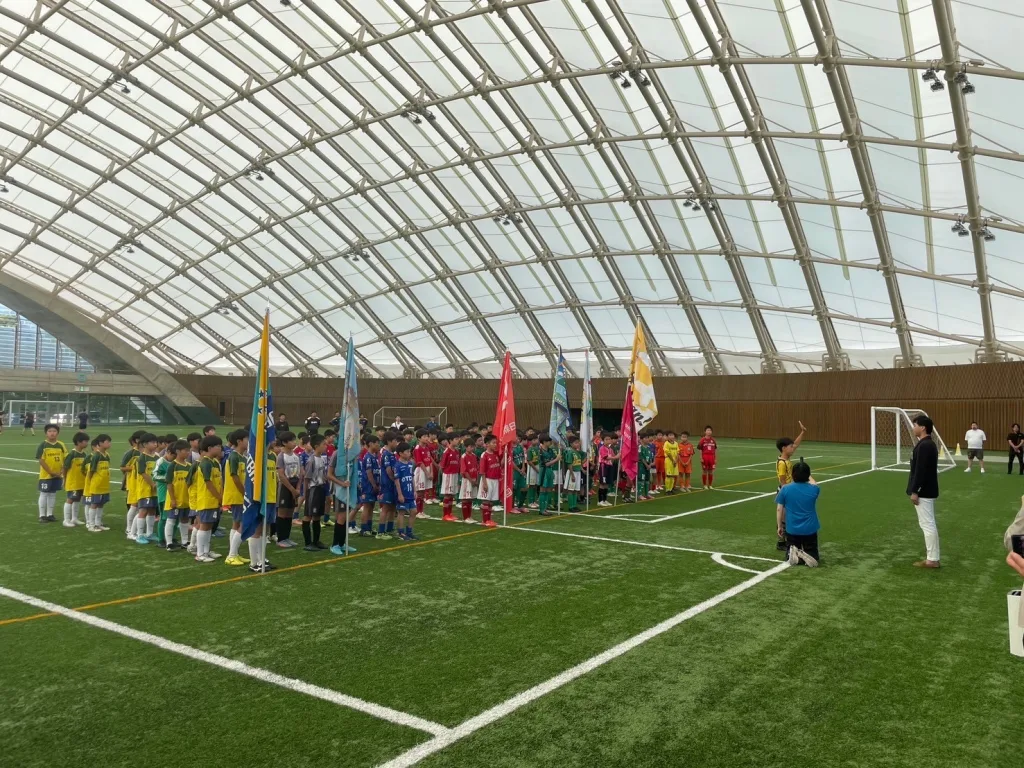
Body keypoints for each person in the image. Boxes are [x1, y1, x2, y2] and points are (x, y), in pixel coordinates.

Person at [908, 414, 940, 568]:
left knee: (927, 524)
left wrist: (915, 491)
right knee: (928, 523)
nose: (913, 428)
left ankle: (932, 559)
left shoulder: (925, 445)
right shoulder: (926, 444)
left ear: (922, 427)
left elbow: (921, 470)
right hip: (926, 490)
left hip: (924, 491)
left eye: (915, 425)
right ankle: (933, 558)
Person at [775, 459, 820, 567]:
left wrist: (780, 526)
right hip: (810, 528)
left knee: (792, 546)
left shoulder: (785, 489)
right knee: (812, 550)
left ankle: (793, 554)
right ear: (808, 475)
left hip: (792, 528)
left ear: (792, 474)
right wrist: (809, 475)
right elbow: (814, 483)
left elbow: (779, 509)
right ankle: (809, 555)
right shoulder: (814, 489)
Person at [775, 421, 808, 551]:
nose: (793, 448)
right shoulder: (782, 463)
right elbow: (782, 481)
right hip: (785, 490)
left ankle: (787, 540)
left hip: (789, 489)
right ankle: (781, 542)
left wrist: (802, 432)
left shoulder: (786, 459)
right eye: (790, 447)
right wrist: (789, 493)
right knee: (783, 517)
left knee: (787, 516)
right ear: (784, 448)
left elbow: (796, 443)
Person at [193, 435, 224, 563]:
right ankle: (200, 553)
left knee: (209, 526)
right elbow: (209, 483)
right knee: (204, 526)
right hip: (206, 500)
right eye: (218, 446)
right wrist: (220, 497)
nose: (220, 448)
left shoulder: (214, 462)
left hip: (213, 500)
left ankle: (206, 551)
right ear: (210, 448)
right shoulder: (205, 463)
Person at [222, 431, 249, 564]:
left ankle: (234, 553)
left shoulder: (242, 457)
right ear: (239, 441)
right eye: (247, 439)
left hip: (239, 495)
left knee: (236, 523)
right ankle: (231, 555)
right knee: (242, 524)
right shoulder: (233, 456)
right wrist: (244, 493)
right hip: (236, 495)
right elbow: (234, 476)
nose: (249, 441)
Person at [275, 432, 302, 548]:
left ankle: (287, 537)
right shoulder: (281, 456)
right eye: (291, 441)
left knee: (290, 512)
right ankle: (280, 538)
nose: (294, 443)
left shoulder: (296, 456)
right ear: (284, 443)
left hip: (295, 485)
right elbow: (281, 475)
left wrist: (298, 488)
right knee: (282, 512)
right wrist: (291, 489)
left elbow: (300, 473)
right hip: (285, 487)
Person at [164, 440, 192, 552]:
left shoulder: (189, 466)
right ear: (178, 451)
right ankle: (169, 543)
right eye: (186, 450)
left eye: (189, 450)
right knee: (171, 520)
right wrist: (172, 499)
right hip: (175, 499)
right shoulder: (173, 466)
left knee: (185, 520)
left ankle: (185, 541)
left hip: (186, 499)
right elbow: (169, 483)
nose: (188, 453)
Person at [36, 423, 66, 523]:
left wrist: (62, 470)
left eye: (54, 431)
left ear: (58, 433)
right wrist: (50, 472)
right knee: (44, 493)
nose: (52, 433)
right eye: (49, 431)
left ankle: (50, 514)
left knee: (53, 494)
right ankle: (42, 515)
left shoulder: (61, 445)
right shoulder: (43, 445)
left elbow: (65, 458)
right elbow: (41, 460)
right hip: (46, 475)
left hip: (58, 474)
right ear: (46, 433)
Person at [133, 434, 159, 544]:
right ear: (145, 444)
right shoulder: (142, 458)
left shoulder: (157, 457)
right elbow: (143, 473)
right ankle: (139, 535)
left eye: (156, 442)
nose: (155, 444)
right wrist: (152, 484)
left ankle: (149, 533)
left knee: (152, 510)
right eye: (152, 442)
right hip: (145, 489)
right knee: (143, 510)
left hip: (155, 489)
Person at [84, 434, 112, 532]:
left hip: (104, 485)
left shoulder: (107, 455)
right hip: (97, 485)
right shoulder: (96, 456)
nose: (109, 444)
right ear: (100, 443)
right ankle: (91, 525)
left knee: (101, 504)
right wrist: (92, 481)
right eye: (107, 442)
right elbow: (91, 470)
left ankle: (98, 523)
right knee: (94, 504)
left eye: (109, 442)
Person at [61, 431, 90, 528]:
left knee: (77, 500)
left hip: (82, 482)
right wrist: (64, 479)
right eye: (85, 441)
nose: (87, 443)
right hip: (73, 482)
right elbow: (65, 468)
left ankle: (74, 518)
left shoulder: (84, 454)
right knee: (70, 499)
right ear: (78, 442)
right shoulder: (71, 454)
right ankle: (66, 520)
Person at [395, 442, 418, 540]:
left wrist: (415, 490)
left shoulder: (410, 464)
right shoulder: (397, 465)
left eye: (409, 451)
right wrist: (400, 494)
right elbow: (397, 481)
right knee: (402, 512)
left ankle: (409, 531)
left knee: (414, 511)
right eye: (407, 451)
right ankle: (400, 532)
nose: (409, 453)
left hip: (410, 493)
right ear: (400, 453)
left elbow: (412, 477)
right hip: (403, 493)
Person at [476, 435, 501, 527]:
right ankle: (485, 520)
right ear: (487, 444)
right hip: (487, 480)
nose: (495, 444)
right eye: (493, 443)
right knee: (486, 501)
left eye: (496, 443)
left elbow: (499, 465)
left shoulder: (495, 455)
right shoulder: (484, 455)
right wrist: (484, 483)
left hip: (495, 480)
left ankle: (489, 519)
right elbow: (482, 471)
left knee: (490, 501)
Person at [439, 435, 461, 521]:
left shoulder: (457, 451)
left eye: (458, 439)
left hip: (455, 474)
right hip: (448, 475)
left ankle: (450, 513)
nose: (458, 440)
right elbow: (442, 466)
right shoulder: (447, 451)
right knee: (447, 494)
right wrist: (445, 475)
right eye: (456, 439)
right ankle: (445, 514)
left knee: (452, 494)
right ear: (451, 440)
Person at [459, 435, 479, 523]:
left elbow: (476, 468)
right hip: (467, 480)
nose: (472, 448)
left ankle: (469, 516)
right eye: (470, 447)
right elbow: (464, 471)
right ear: (466, 447)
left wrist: (476, 480)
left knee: (470, 498)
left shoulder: (474, 456)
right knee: (465, 498)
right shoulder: (463, 457)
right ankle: (465, 517)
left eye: (473, 447)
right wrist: (471, 480)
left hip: (474, 479)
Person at [698, 426, 717, 490]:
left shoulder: (713, 440)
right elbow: (700, 449)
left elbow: (715, 450)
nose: (709, 431)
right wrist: (701, 458)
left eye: (710, 430)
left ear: (711, 432)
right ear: (705, 432)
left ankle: (710, 485)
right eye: (707, 430)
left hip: (711, 457)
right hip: (705, 456)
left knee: (711, 471)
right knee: (705, 471)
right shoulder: (702, 440)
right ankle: (704, 485)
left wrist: (715, 458)